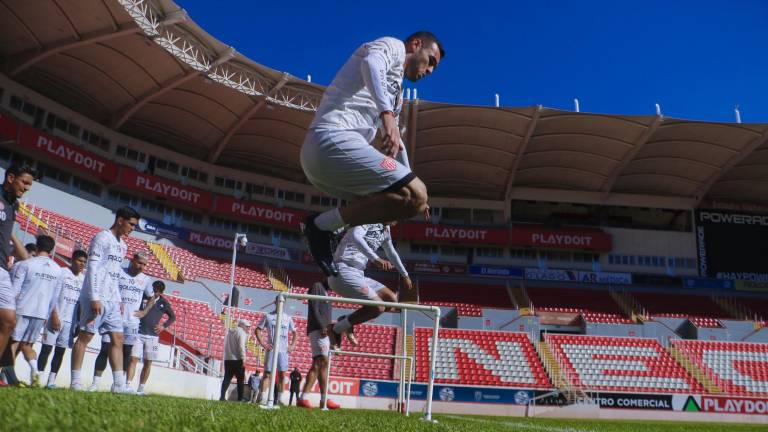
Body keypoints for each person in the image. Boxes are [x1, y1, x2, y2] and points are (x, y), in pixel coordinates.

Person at [300, 32, 445, 277]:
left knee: (406, 201)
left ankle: (325, 226)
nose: (430, 70)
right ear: (416, 45)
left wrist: (414, 185)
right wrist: (385, 114)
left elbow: (397, 143)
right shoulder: (393, 46)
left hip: (330, 164)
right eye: (430, 61)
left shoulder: (396, 95)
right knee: (415, 193)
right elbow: (371, 63)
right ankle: (321, 227)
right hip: (330, 137)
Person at [69, 206, 140, 392]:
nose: (133, 228)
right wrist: (94, 297)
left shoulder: (123, 245)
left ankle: (118, 385)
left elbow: (114, 274)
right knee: (85, 336)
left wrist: (119, 299)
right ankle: (75, 382)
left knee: (118, 338)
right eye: (131, 224)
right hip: (96, 296)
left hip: (112, 300)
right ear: (120, 220)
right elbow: (92, 268)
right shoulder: (101, 238)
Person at [327, 223, 411, 348]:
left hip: (358, 273)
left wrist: (405, 274)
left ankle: (345, 321)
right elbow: (356, 236)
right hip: (342, 270)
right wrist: (375, 258)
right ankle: (335, 329)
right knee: (378, 307)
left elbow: (391, 252)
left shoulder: (386, 229)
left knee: (391, 300)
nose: (397, 221)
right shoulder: (369, 219)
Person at [87, 252, 151, 392]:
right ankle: (95, 383)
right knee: (105, 349)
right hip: (114, 317)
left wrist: (144, 312)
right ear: (132, 260)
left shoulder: (146, 279)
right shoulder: (119, 272)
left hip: (132, 322)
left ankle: (118, 384)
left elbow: (152, 297)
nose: (142, 266)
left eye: (144, 264)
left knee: (126, 353)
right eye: (139, 263)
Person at [9, 235, 62, 386]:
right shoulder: (58, 270)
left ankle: (6, 378)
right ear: (51, 250)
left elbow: (15, 291)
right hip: (41, 313)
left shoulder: (26, 264)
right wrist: (48, 315)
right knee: (27, 345)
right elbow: (55, 298)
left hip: (22, 308)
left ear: (37, 246)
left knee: (12, 343)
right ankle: (35, 370)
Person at [0, 164, 36, 383]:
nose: (26, 188)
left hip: (3, 268)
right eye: (24, 182)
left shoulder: (13, 205)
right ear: (11, 178)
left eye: (29, 185)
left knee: (9, 321)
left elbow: (8, 234)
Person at [37, 249, 87, 389]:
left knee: (60, 351)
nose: (82, 264)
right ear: (72, 260)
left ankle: (51, 382)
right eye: (79, 261)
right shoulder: (61, 272)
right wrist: (54, 316)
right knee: (46, 349)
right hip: (56, 318)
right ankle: (37, 379)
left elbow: (81, 304)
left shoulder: (83, 280)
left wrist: (78, 323)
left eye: (84, 262)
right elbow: (52, 296)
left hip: (71, 322)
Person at [297, 281, 340, 410]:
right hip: (317, 329)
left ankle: (324, 399)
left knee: (324, 364)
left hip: (324, 330)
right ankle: (303, 398)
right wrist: (322, 325)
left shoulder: (326, 291)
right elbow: (314, 306)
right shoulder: (317, 286)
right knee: (319, 362)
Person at [131, 280, 175, 395]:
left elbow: (172, 317)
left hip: (152, 337)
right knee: (133, 359)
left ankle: (141, 388)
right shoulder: (143, 297)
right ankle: (127, 386)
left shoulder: (164, 303)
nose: (155, 292)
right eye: (154, 290)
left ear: (161, 292)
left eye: (158, 291)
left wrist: (163, 326)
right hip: (138, 333)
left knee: (148, 362)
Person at [256, 308, 296, 405]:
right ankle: (262, 398)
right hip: (272, 350)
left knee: (282, 375)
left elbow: (295, 332)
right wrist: (263, 343)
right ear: (275, 302)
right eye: (278, 301)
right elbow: (257, 330)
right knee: (267, 374)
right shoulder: (268, 316)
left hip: (283, 351)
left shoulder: (288, 318)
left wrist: (292, 345)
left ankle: (280, 399)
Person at [220, 319, 250, 402]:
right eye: (247, 326)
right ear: (242, 325)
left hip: (228, 358)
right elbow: (241, 346)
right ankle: (240, 398)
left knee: (227, 378)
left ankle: (222, 397)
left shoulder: (230, 332)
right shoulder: (242, 333)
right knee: (240, 379)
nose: (248, 329)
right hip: (237, 359)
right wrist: (243, 358)